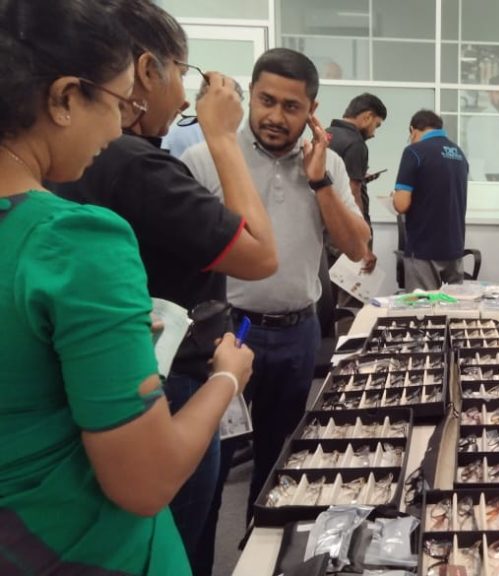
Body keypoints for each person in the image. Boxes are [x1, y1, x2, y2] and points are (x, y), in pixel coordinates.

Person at [0, 0, 253, 573]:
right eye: (117, 104)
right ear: (65, 98)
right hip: (83, 547)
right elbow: (146, 481)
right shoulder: (76, 240)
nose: (120, 128)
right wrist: (225, 378)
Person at [182, 47, 370, 531]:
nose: (276, 117)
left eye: (292, 107)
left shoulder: (327, 165)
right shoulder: (207, 158)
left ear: (312, 111)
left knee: (280, 468)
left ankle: (259, 554)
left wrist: (319, 182)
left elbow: (357, 247)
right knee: (208, 473)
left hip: (297, 332)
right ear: (250, 94)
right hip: (226, 335)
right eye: (267, 101)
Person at [393, 110, 470, 291]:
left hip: (423, 249)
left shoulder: (414, 152)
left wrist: (395, 197)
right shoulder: (459, 154)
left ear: (413, 130)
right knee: (453, 305)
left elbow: (401, 205)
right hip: (455, 248)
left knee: (423, 306)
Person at [327, 92, 388, 273]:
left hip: (325, 229)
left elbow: (332, 178)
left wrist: (361, 177)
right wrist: (363, 246)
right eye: (376, 125)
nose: (374, 133)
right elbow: (353, 193)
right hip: (346, 232)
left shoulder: (326, 134)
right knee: (350, 288)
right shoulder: (356, 144)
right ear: (367, 117)